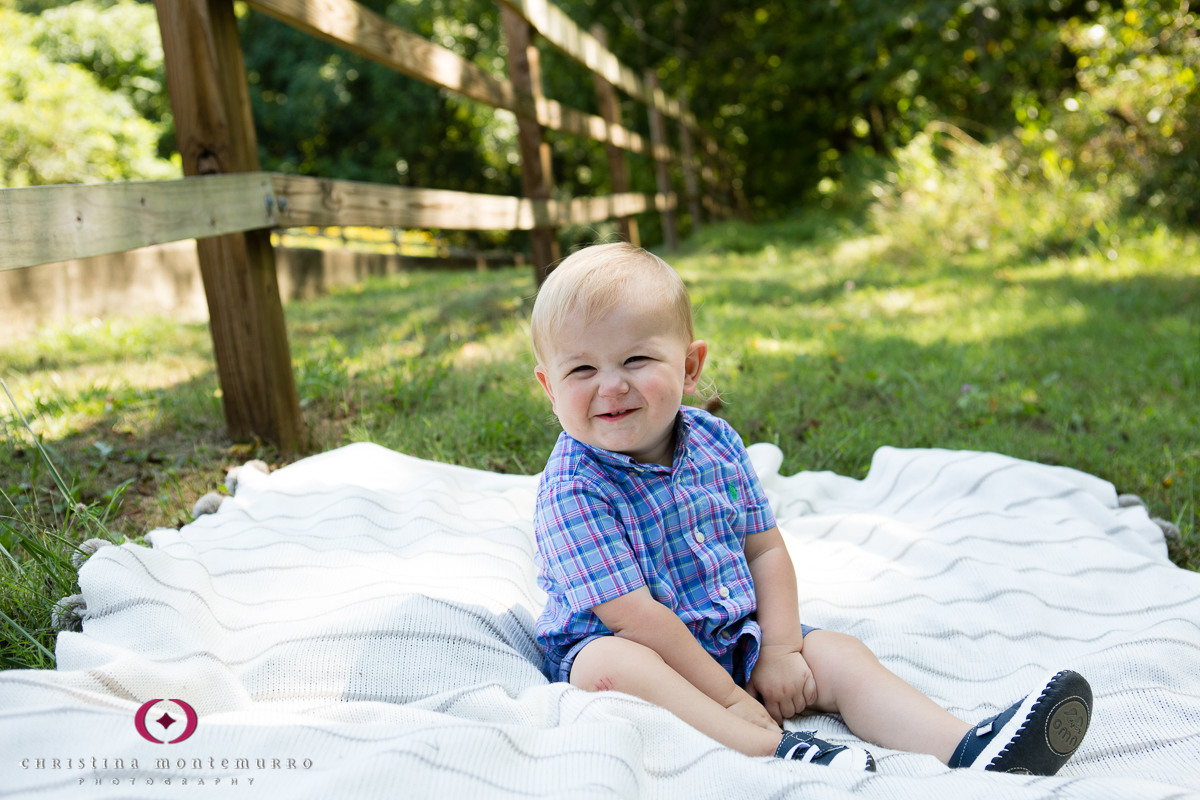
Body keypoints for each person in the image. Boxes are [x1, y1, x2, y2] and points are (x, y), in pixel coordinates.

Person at [528, 241, 1092, 772]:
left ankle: (966, 745)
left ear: (691, 367)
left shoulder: (715, 443)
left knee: (837, 653)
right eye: (582, 370)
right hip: (634, 647)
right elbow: (636, 619)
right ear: (549, 387)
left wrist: (778, 649)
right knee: (612, 667)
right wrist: (728, 699)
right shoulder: (574, 488)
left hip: (734, 638)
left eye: (636, 359)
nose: (613, 385)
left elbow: (765, 549)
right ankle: (771, 747)